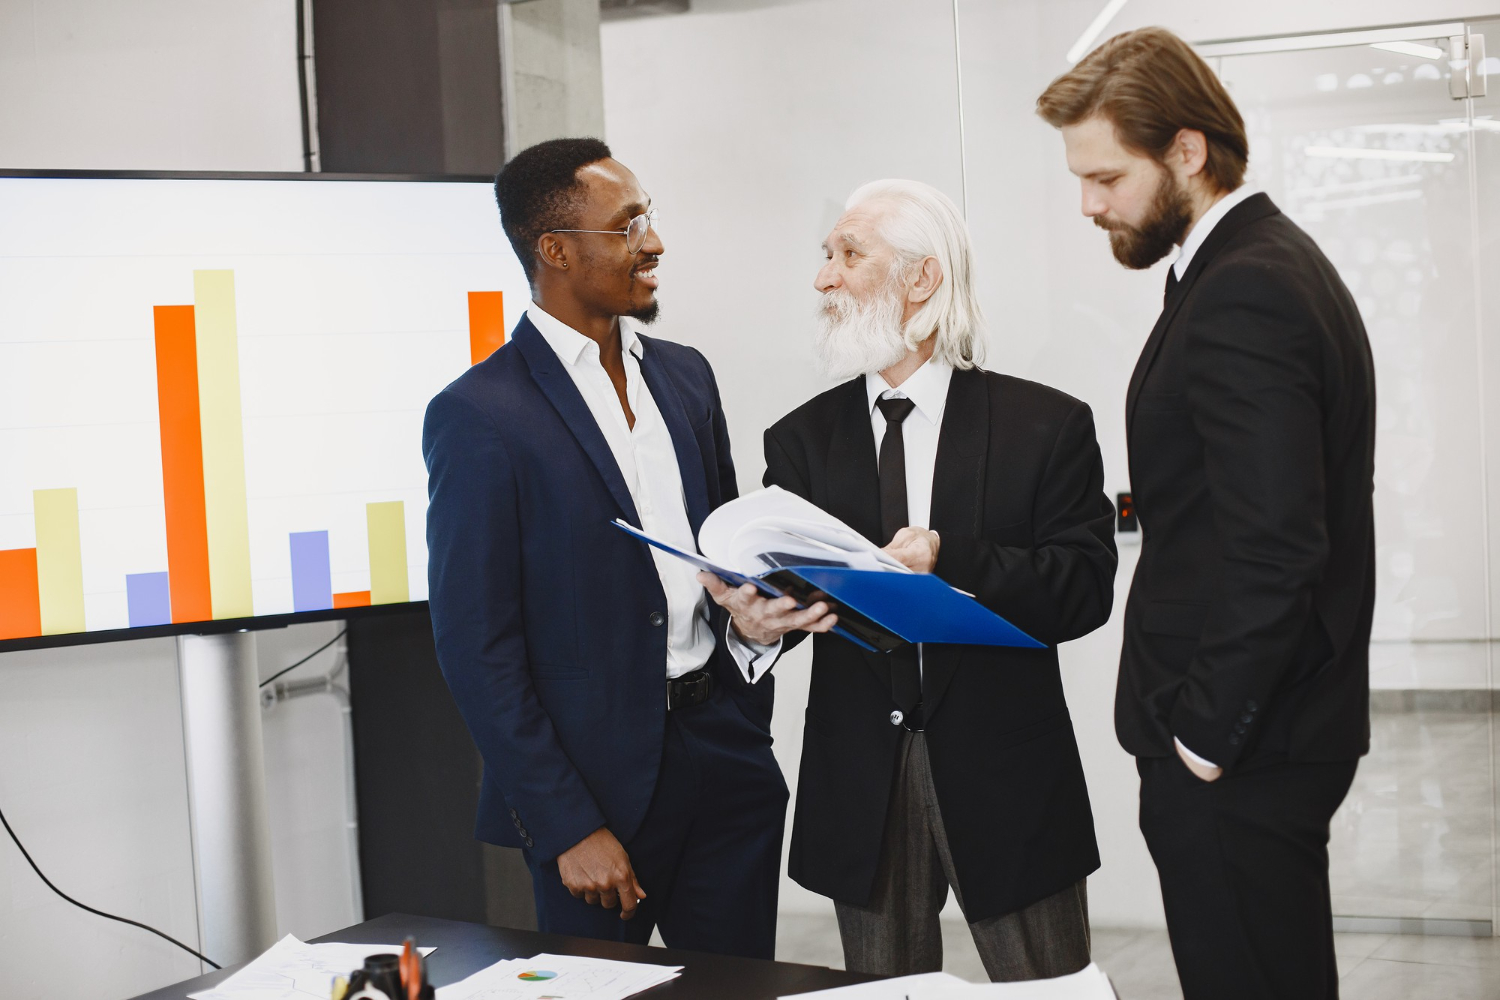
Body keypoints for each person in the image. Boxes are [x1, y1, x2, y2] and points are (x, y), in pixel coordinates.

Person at [422, 137, 830, 957]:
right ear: (557, 251)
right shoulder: (479, 414)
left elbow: (723, 558)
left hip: (725, 759)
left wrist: (752, 639)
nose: (655, 241)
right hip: (591, 790)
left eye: (650, 216)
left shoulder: (686, 376)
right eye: (629, 224)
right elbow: (476, 645)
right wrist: (566, 823)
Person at [703, 178, 1116, 980]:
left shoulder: (1047, 426)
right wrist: (752, 628)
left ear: (921, 279)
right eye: (826, 256)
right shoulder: (799, 441)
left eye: (849, 255)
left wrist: (948, 556)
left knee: (1051, 995)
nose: (824, 278)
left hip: (1011, 783)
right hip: (859, 784)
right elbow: (793, 598)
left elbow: (1084, 589)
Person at [1036, 27, 1375, 1000]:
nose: (1090, 203)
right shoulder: (1261, 264)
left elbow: (1277, 543)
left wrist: (1206, 737)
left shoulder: (1246, 289)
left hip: (1241, 749)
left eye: (1105, 175)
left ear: (1186, 151)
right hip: (1271, 736)